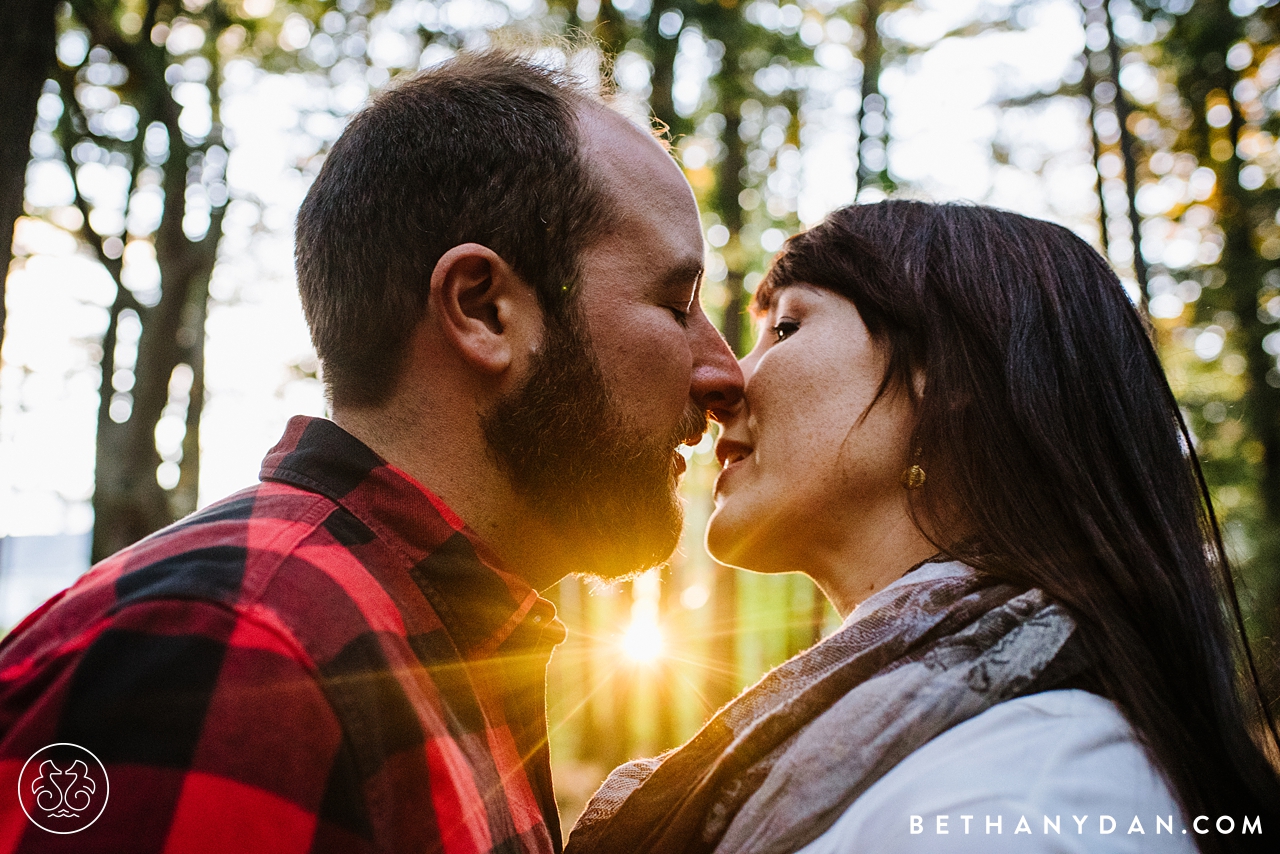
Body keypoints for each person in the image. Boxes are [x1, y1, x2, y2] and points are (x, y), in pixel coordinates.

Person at [0, 51, 742, 852]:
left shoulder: (434, 647)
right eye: (675, 303)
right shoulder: (235, 655)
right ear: (483, 309)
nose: (724, 372)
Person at [566, 201, 1280, 854]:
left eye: (786, 326)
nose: (727, 382)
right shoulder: (932, 756)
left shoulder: (1029, 794)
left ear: (947, 375)